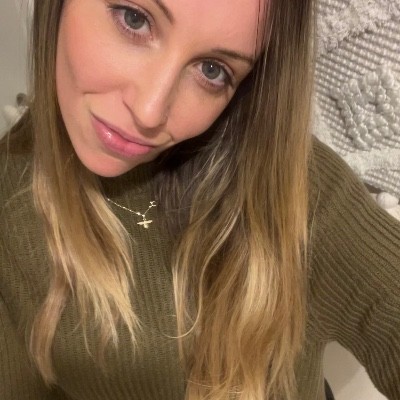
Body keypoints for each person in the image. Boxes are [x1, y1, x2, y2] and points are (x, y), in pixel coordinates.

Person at [0, 0, 399, 399]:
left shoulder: (290, 183)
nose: (149, 112)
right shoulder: (9, 206)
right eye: (134, 20)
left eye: (212, 70)